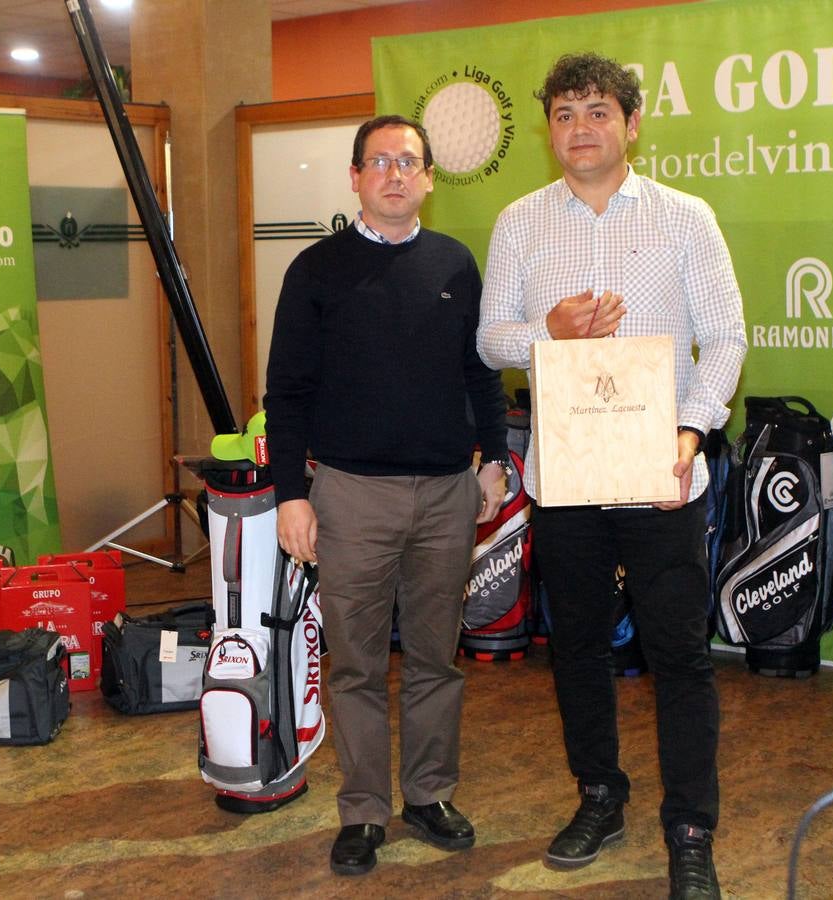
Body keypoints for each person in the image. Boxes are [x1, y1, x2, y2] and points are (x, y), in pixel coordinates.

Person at [477, 54, 746, 899]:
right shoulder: (520, 222)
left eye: (598, 111)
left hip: (661, 473)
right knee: (579, 649)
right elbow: (490, 341)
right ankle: (600, 796)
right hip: (566, 476)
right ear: (549, 128)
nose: (579, 128)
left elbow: (727, 336)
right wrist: (547, 332)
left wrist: (692, 426)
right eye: (563, 113)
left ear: (632, 123)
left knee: (678, 654)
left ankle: (691, 826)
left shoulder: (686, 217)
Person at [264, 114, 508, 877]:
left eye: (409, 161)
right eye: (379, 161)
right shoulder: (315, 270)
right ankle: (363, 811)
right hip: (349, 498)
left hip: (446, 494)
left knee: (437, 659)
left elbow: (483, 374)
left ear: (430, 177)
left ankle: (430, 796)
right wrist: (290, 495)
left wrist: (495, 458)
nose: (395, 173)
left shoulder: (457, 265)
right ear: (356, 178)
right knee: (359, 667)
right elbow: (288, 391)